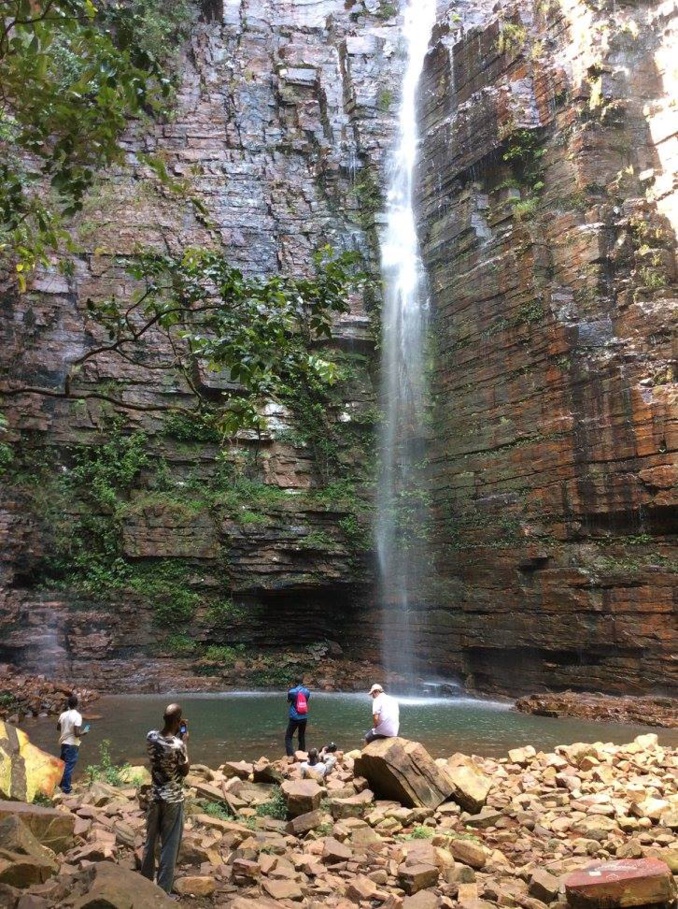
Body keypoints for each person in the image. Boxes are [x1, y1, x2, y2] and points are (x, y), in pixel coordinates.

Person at [140, 703, 190, 895]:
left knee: (150, 841)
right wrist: (184, 741)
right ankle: (162, 892)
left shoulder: (151, 736)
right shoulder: (179, 745)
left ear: (163, 719)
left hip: (155, 797)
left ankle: (144, 883)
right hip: (173, 800)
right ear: (178, 721)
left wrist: (175, 729)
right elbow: (184, 771)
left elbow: (163, 743)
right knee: (169, 846)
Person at [57, 694, 89, 794]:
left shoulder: (62, 715)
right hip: (72, 743)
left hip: (63, 743)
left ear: (68, 704)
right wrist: (84, 732)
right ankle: (66, 789)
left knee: (63, 765)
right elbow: (76, 733)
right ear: (77, 704)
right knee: (69, 766)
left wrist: (66, 729)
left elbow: (58, 728)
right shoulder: (77, 716)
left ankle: (60, 784)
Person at [285, 677, 310, 756]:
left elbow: (288, 700)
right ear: (302, 682)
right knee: (301, 735)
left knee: (288, 737)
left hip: (294, 717)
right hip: (304, 717)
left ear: (295, 682)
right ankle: (301, 754)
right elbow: (306, 700)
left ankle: (290, 755)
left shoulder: (292, 692)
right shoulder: (307, 691)